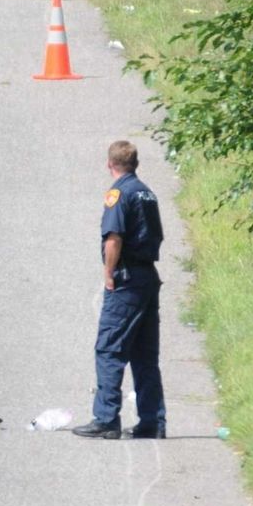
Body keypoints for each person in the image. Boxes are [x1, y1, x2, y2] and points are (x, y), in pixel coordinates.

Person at [74, 141, 167, 440]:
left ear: (109, 164)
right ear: (135, 164)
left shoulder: (118, 194)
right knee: (144, 355)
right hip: (148, 278)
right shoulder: (147, 192)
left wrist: (108, 274)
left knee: (109, 349)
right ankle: (152, 422)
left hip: (126, 280)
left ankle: (106, 419)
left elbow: (114, 238)